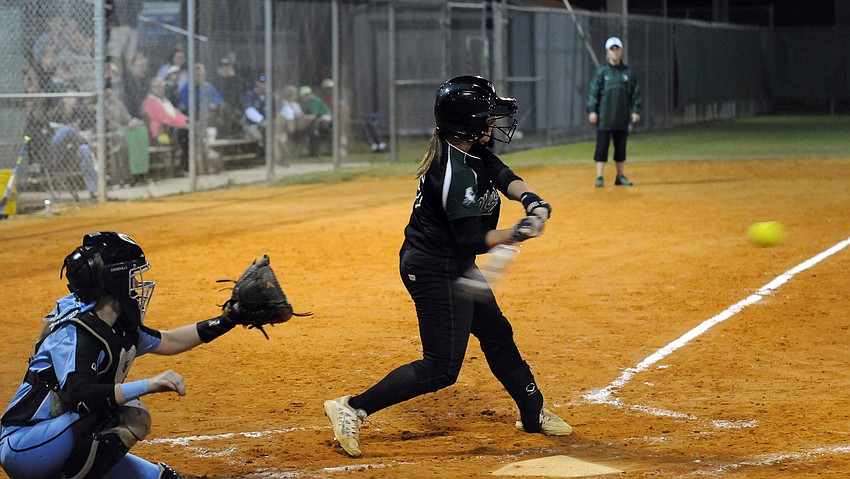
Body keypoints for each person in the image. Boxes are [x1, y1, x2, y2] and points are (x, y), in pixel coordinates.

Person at [323, 75, 571, 458]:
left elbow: (501, 172)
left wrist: (530, 199)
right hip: (433, 267)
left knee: (496, 333)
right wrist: (517, 233)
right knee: (441, 367)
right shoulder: (453, 172)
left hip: (452, 263)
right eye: (487, 117)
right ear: (467, 123)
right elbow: (471, 239)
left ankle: (533, 413)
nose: (493, 123)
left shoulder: (471, 149)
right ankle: (352, 408)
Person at [0, 232, 249, 479]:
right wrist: (148, 385)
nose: (137, 285)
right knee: (124, 412)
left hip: (62, 434)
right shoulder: (76, 332)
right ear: (114, 279)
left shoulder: (117, 326)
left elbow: (170, 340)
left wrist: (228, 319)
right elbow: (79, 395)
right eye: (132, 275)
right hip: (25, 447)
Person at [586, 36, 641, 187]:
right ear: (607, 52)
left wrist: (636, 110)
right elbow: (593, 92)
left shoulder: (627, 72)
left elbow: (635, 93)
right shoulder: (602, 72)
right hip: (604, 117)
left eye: (617, 49)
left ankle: (620, 175)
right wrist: (592, 111)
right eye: (612, 50)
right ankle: (599, 177)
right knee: (602, 147)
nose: (615, 53)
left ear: (621, 51)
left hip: (621, 117)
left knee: (621, 148)